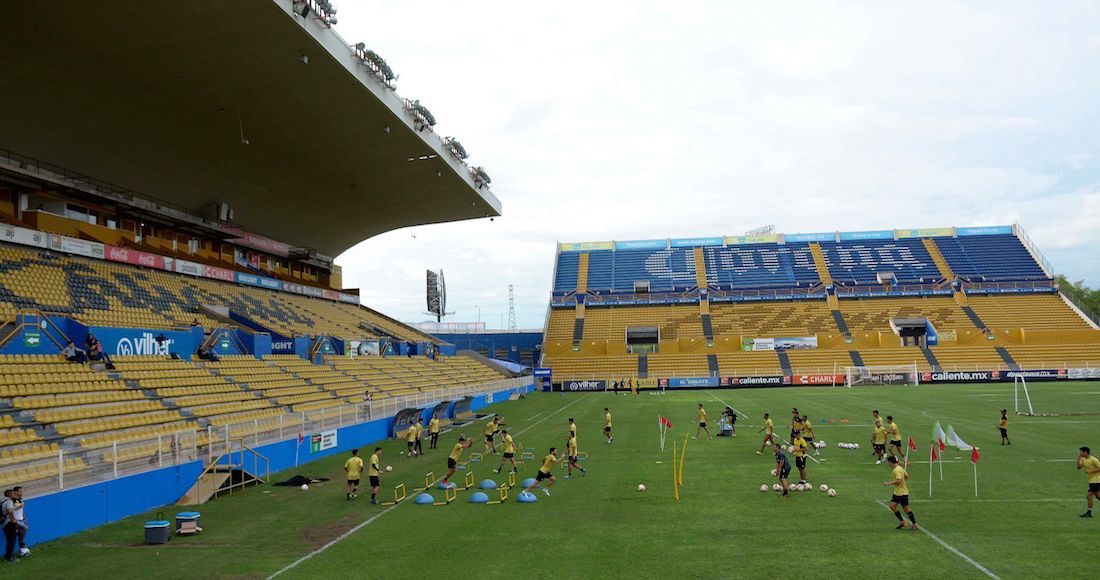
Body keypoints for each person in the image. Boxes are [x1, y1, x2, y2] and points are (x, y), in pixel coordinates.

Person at [882, 456, 918, 530]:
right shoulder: (900, 468)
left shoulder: (896, 470)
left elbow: (899, 480)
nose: (888, 464)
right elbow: (907, 476)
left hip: (902, 493)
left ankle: (915, 524)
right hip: (897, 492)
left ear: (890, 462)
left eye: (888, 462)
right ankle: (902, 521)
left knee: (906, 509)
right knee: (892, 506)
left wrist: (888, 483)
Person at [1077, 446, 1100, 518]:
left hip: (1096, 480)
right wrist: (1078, 458)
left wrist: (1090, 471)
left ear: (1085, 452)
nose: (1080, 453)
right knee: (1098, 496)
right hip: (1091, 480)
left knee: (1089, 496)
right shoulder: (1083, 459)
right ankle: (1088, 513)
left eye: (1081, 452)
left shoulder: (1093, 459)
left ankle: (1089, 513)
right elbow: (1078, 467)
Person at [1, 489, 17, 562]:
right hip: (9, 523)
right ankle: (9, 557)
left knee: (9, 540)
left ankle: (7, 556)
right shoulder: (9, 502)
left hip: (4, 524)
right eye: (13, 493)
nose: (14, 495)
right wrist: (13, 519)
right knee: (11, 541)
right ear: (10, 495)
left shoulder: (3, 501)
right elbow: (10, 511)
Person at [10, 488, 26, 557]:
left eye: (22, 491)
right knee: (25, 528)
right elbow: (11, 510)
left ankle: (22, 549)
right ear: (15, 492)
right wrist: (20, 505)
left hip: (21, 520)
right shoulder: (12, 500)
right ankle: (21, 545)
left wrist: (24, 518)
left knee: (21, 532)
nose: (22, 492)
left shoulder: (20, 500)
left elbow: (22, 510)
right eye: (20, 491)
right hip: (15, 520)